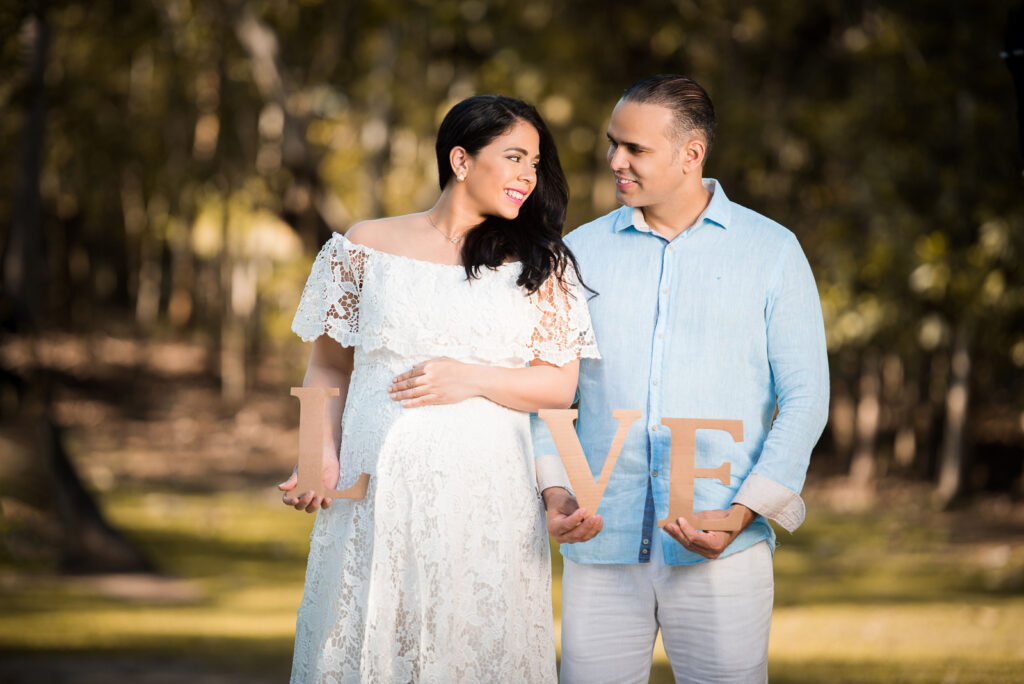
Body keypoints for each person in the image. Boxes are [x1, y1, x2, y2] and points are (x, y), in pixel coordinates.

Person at [278, 95, 598, 683]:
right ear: (461, 160)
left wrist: (468, 376)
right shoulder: (365, 245)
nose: (529, 175)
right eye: (514, 157)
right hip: (373, 494)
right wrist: (314, 456)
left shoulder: (541, 263)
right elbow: (328, 367)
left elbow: (559, 385)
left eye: (536, 162)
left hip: (487, 502)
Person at [533, 74, 830, 683]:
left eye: (634, 148)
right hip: (600, 543)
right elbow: (547, 392)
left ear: (691, 153)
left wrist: (746, 511)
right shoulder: (577, 254)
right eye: (613, 143)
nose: (615, 160)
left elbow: (806, 397)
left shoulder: (772, 251)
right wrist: (554, 491)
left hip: (725, 550)